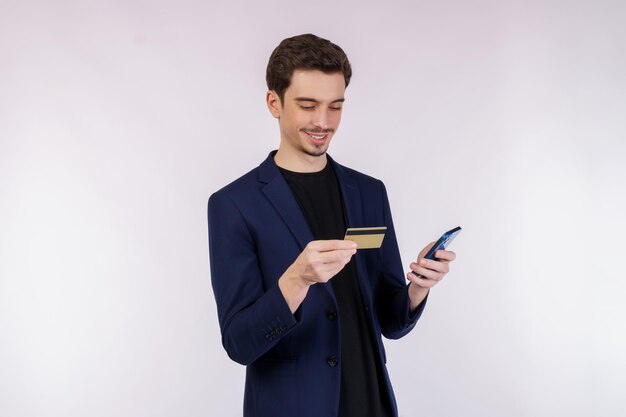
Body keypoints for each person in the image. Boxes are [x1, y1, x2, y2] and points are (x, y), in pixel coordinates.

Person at [208, 33, 456, 417]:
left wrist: (418, 287)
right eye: (308, 106)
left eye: (335, 106)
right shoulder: (234, 205)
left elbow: (391, 321)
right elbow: (239, 344)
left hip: (370, 401)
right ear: (274, 102)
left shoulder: (370, 193)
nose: (323, 122)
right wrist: (296, 280)